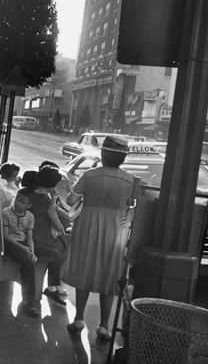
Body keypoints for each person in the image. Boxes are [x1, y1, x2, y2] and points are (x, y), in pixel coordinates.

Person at [64, 136, 136, 340]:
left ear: (102, 155)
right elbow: (133, 206)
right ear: (123, 158)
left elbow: (71, 200)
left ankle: (78, 318)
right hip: (116, 229)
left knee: (84, 268)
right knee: (110, 274)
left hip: (88, 225)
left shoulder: (90, 175)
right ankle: (104, 326)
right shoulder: (130, 180)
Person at [27, 166, 70, 307]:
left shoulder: (30, 194)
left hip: (32, 236)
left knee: (60, 246)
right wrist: (62, 229)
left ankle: (53, 286)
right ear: (52, 185)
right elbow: (54, 218)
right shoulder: (45, 200)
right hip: (36, 241)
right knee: (63, 246)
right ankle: (54, 286)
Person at [1, 187, 39, 317]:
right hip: (10, 244)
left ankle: (28, 301)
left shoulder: (30, 216)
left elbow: (29, 237)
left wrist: (32, 252)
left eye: (22, 201)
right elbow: (6, 236)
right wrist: (25, 250)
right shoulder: (6, 212)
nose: (18, 202)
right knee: (28, 264)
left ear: (29, 205)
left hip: (23, 244)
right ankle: (28, 303)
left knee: (31, 261)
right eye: (18, 199)